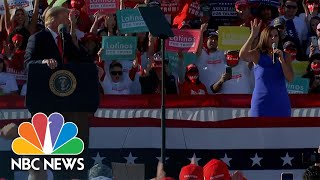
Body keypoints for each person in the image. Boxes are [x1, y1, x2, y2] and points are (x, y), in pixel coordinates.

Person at [23, 6, 92, 180]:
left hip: (69, 104)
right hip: (46, 104)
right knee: (47, 154)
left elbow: (82, 59)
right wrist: (43, 62)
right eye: (66, 17)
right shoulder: (37, 38)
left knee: (66, 156)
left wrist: (93, 69)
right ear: (54, 20)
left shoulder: (66, 39)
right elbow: (28, 64)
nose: (69, 21)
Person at [239, 19, 294, 117]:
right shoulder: (257, 54)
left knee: (282, 132)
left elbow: (290, 79)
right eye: (270, 36)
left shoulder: (286, 55)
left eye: (276, 36)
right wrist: (252, 36)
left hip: (281, 103)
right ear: (264, 38)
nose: (273, 38)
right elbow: (243, 56)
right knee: (259, 131)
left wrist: (282, 61)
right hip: (261, 103)